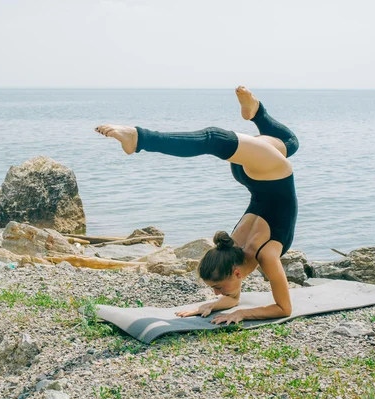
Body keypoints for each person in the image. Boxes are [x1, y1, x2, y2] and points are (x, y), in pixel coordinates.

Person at [95, 86, 299, 325]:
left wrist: (229, 309)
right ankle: (256, 113)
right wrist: (221, 306)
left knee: (232, 139)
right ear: (236, 273)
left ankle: (138, 138)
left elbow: (237, 300)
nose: (216, 293)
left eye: (216, 288)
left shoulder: (233, 253)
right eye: (215, 289)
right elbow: (283, 308)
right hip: (271, 173)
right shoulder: (265, 255)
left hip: (259, 175)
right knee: (287, 143)